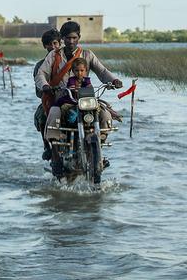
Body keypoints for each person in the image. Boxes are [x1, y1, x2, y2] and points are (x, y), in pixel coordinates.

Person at [35, 21, 122, 176]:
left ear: (79, 37)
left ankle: (98, 150)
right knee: (53, 117)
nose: (71, 41)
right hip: (63, 98)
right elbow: (41, 73)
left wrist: (114, 80)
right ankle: (55, 157)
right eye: (67, 38)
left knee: (105, 115)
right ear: (62, 38)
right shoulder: (53, 56)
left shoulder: (87, 55)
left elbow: (102, 71)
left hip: (85, 99)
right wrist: (45, 85)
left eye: (74, 38)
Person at [33, 29, 61, 160]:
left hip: (69, 98)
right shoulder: (40, 65)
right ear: (45, 46)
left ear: (60, 44)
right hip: (49, 100)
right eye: (50, 44)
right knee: (41, 117)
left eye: (55, 43)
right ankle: (47, 147)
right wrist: (46, 89)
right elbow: (38, 90)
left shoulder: (67, 61)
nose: (53, 47)